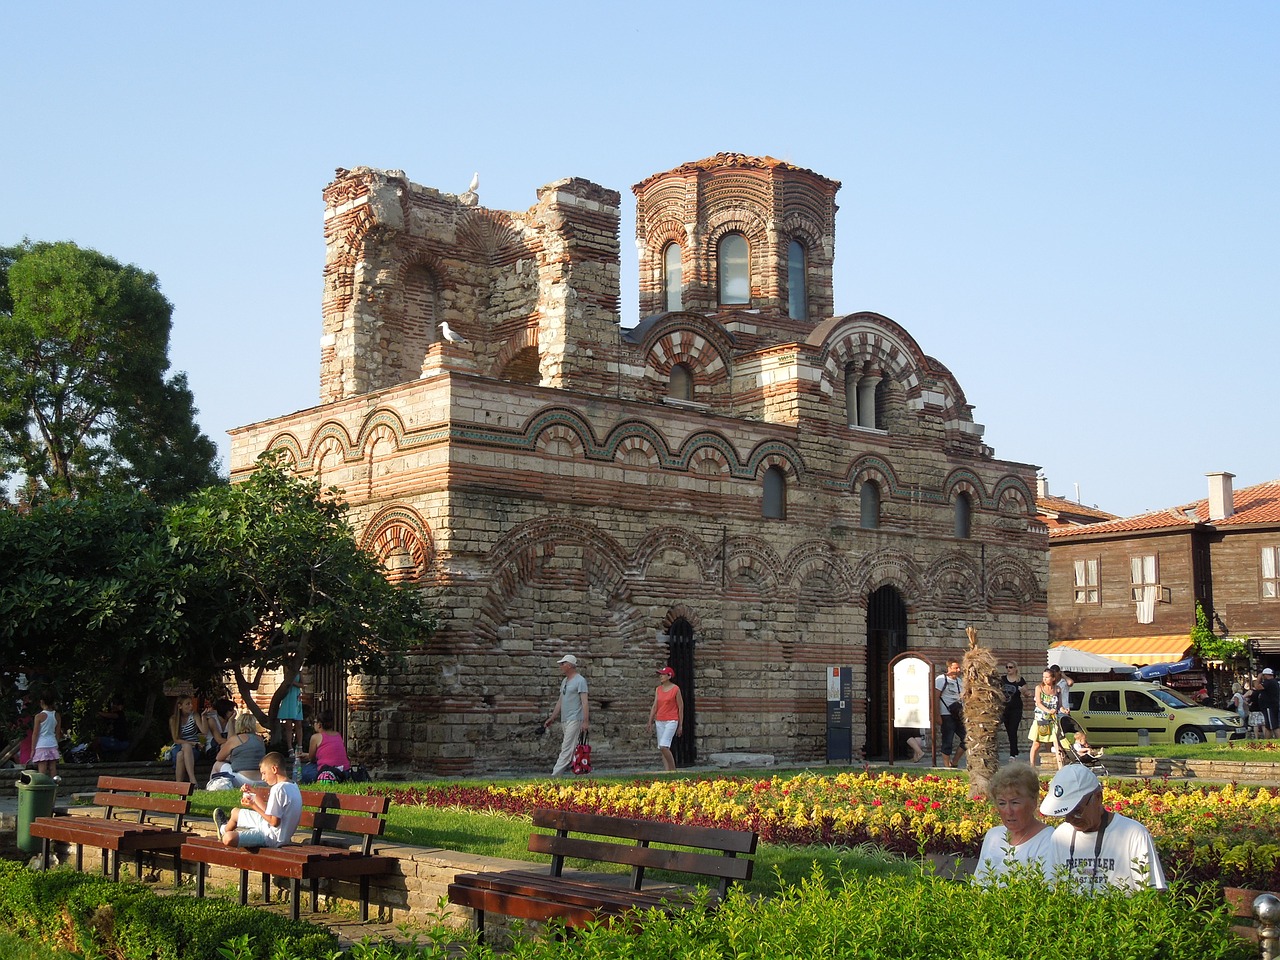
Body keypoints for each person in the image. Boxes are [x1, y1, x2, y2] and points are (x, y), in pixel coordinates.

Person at [1042, 763, 1166, 893]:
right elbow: (1051, 890)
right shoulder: (1060, 836)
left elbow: (1153, 895)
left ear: (1098, 798)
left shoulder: (1133, 834)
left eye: (1077, 811)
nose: (1069, 819)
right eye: (1064, 813)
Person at [973, 761, 1053, 885]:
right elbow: (977, 884)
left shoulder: (1048, 839)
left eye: (1015, 803)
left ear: (1033, 802)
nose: (1008, 811)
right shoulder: (993, 836)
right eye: (1002, 803)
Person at [212, 752, 303, 849]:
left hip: (271, 837)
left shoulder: (278, 789)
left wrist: (253, 805)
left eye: (264, 773)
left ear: (274, 769)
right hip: (271, 829)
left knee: (228, 838)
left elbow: (274, 822)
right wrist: (254, 793)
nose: (263, 778)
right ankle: (222, 829)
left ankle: (226, 833)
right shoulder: (293, 785)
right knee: (235, 813)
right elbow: (269, 813)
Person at [544, 653, 589, 776]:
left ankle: (555, 775)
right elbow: (560, 700)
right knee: (572, 747)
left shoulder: (580, 681)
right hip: (565, 719)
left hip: (575, 719)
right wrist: (553, 717)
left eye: (563, 664)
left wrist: (585, 721)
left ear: (569, 665)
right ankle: (580, 771)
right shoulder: (565, 681)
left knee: (566, 747)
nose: (561, 666)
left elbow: (584, 702)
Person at [211, 713, 267, 786]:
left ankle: (211, 787)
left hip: (242, 779)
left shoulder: (235, 739)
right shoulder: (260, 739)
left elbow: (219, 757)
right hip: (261, 780)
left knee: (217, 764)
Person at [647, 666, 684, 772]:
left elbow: (680, 707)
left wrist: (680, 724)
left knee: (664, 745)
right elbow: (655, 705)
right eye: (660, 674)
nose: (661, 676)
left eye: (663, 674)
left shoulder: (676, 689)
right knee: (662, 749)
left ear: (669, 676)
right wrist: (650, 721)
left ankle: (673, 770)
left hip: (672, 720)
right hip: (659, 720)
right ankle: (667, 772)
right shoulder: (658, 689)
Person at [299, 710, 351, 783]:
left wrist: (308, 756)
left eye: (315, 722)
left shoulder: (315, 737)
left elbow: (312, 759)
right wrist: (307, 755)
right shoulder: (338, 735)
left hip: (327, 771)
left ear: (319, 725)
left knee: (306, 771)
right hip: (345, 770)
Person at [1028, 669, 1064, 769]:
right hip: (1041, 719)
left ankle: (1060, 765)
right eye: (1043, 677)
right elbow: (1038, 703)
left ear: (1053, 678)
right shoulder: (1039, 688)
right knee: (1037, 743)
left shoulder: (1058, 689)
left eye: (1047, 677)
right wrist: (1048, 711)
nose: (1044, 679)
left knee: (1056, 742)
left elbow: (1059, 705)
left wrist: (1064, 710)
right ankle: (1032, 765)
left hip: (1052, 720)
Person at [934, 659, 965, 768]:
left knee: (967, 738)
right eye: (956, 668)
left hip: (958, 714)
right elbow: (935, 697)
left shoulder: (959, 681)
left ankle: (954, 762)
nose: (958, 670)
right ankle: (946, 766)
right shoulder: (941, 680)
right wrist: (937, 715)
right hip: (946, 714)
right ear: (949, 668)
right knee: (948, 740)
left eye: (959, 668)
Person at [170, 696, 204, 785]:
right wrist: (193, 743)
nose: (191, 706)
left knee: (181, 755)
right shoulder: (173, 719)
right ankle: (192, 780)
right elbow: (176, 740)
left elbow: (204, 731)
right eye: (187, 704)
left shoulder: (194, 716)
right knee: (183, 748)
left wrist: (203, 717)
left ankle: (178, 785)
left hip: (193, 751)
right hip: (179, 746)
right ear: (180, 706)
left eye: (191, 703)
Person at [30, 693, 63, 779]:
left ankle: (42, 788)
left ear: (42, 702)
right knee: (53, 768)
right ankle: (54, 788)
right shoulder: (57, 715)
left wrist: (33, 749)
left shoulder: (39, 716)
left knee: (42, 769)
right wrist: (57, 744)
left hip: (41, 744)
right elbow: (57, 732)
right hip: (52, 743)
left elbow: (35, 733)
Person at [1000, 662, 1026, 759]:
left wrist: (1023, 691)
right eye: (1007, 667)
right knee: (1009, 730)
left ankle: (1013, 754)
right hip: (1004, 709)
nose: (1008, 669)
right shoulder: (1002, 679)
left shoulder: (1020, 680)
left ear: (1015, 668)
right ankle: (1014, 751)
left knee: (1013, 729)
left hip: (1016, 709)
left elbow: (1027, 694)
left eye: (1010, 667)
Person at [278, 672, 304, 753]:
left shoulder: (299, 673)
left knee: (298, 723)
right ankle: (290, 747)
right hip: (288, 696)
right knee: (288, 724)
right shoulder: (287, 669)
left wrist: (294, 682)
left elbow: (302, 685)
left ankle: (300, 746)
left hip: (296, 697)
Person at [1261, 667, 1280, 738]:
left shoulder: (1269, 682)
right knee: (1268, 725)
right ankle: (1267, 740)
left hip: (1269, 706)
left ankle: (1278, 739)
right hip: (1273, 705)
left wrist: (1258, 678)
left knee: (1273, 725)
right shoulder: (1275, 682)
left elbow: (1257, 686)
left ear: (1266, 675)